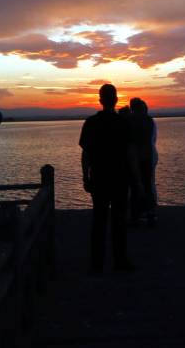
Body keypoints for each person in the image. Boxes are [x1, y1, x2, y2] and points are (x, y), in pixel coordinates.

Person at [79, 83, 137, 273]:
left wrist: (85, 176)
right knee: (119, 221)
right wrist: (137, 180)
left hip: (99, 179)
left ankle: (97, 264)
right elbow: (130, 154)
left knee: (99, 221)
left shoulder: (91, 123)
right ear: (116, 99)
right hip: (120, 179)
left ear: (100, 100)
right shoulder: (123, 124)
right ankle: (120, 261)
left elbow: (86, 154)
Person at [128, 97, 158, 227]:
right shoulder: (148, 121)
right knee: (146, 186)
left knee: (139, 187)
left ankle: (140, 215)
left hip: (142, 160)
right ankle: (147, 214)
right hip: (145, 159)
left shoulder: (137, 122)